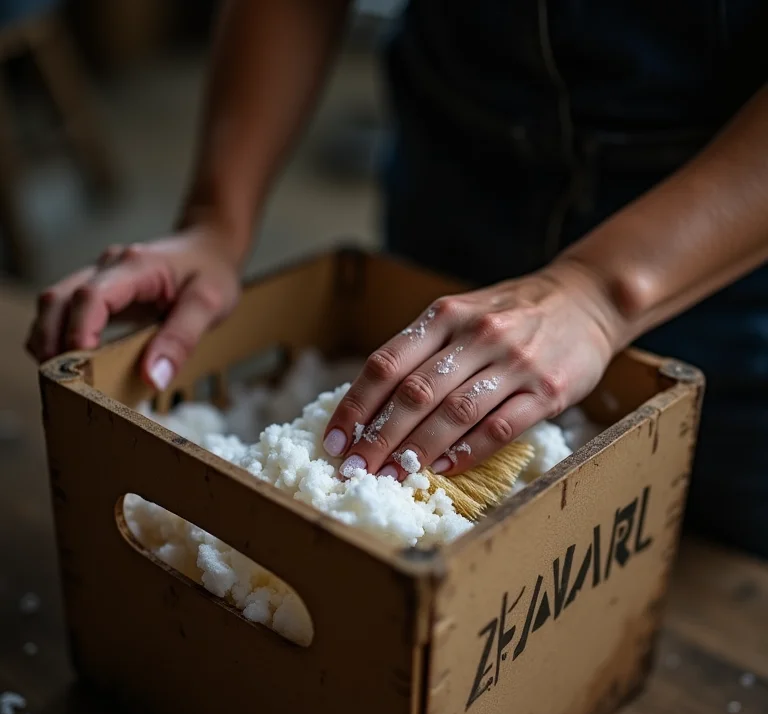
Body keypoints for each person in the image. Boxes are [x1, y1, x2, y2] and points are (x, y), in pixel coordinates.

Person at [26, 1, 768, 558]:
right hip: (460, 176)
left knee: (700, 557)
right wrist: (216, 220)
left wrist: (600, 294)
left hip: (715, 241)